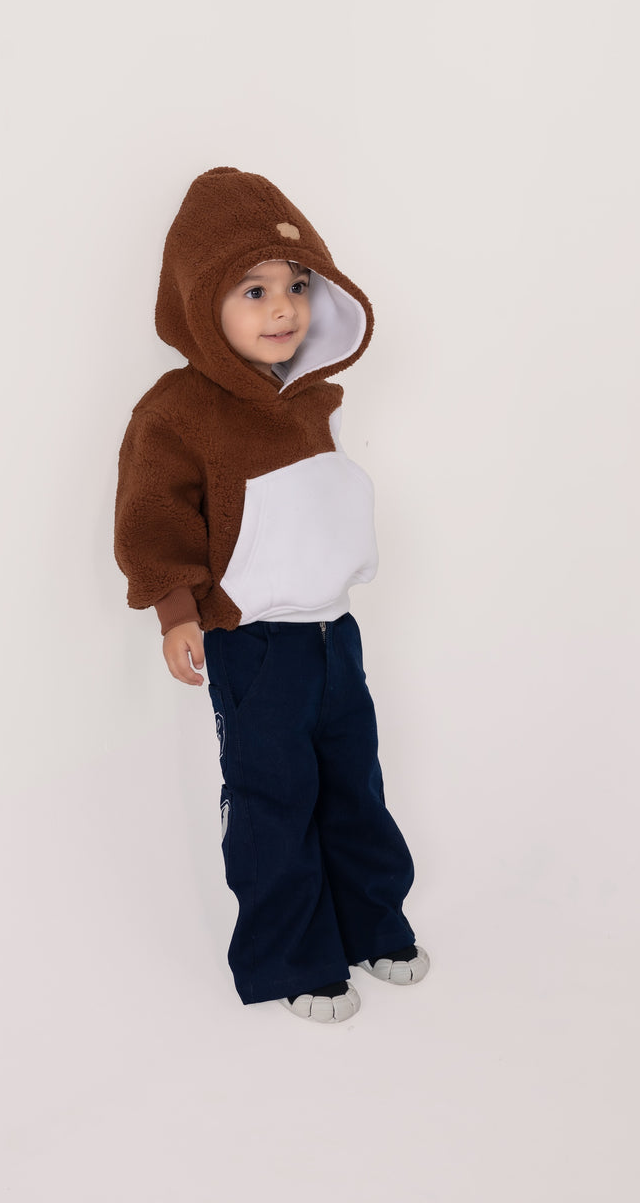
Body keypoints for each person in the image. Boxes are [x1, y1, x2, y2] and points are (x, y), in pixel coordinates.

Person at [113, 166, 429, 1023]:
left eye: (296, 284)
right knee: (272, 801)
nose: (282, 307)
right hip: (253, 645)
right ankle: (291, 955)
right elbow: (151, 514)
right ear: (199, 304)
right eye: (252, 290)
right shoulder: (176, 410)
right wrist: (178, 612)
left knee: (354, 785)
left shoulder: (310, 399)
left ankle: (370, 923)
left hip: (335, 635)